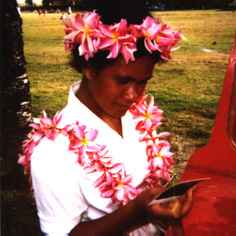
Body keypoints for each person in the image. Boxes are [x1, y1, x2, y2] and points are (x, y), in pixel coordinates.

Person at [19, 1, 194, 235]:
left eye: (142, 82)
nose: (133, 95)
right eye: (122, 81)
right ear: (89, 68)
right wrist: (138, 211)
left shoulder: (138, 116)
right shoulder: (53, 150)